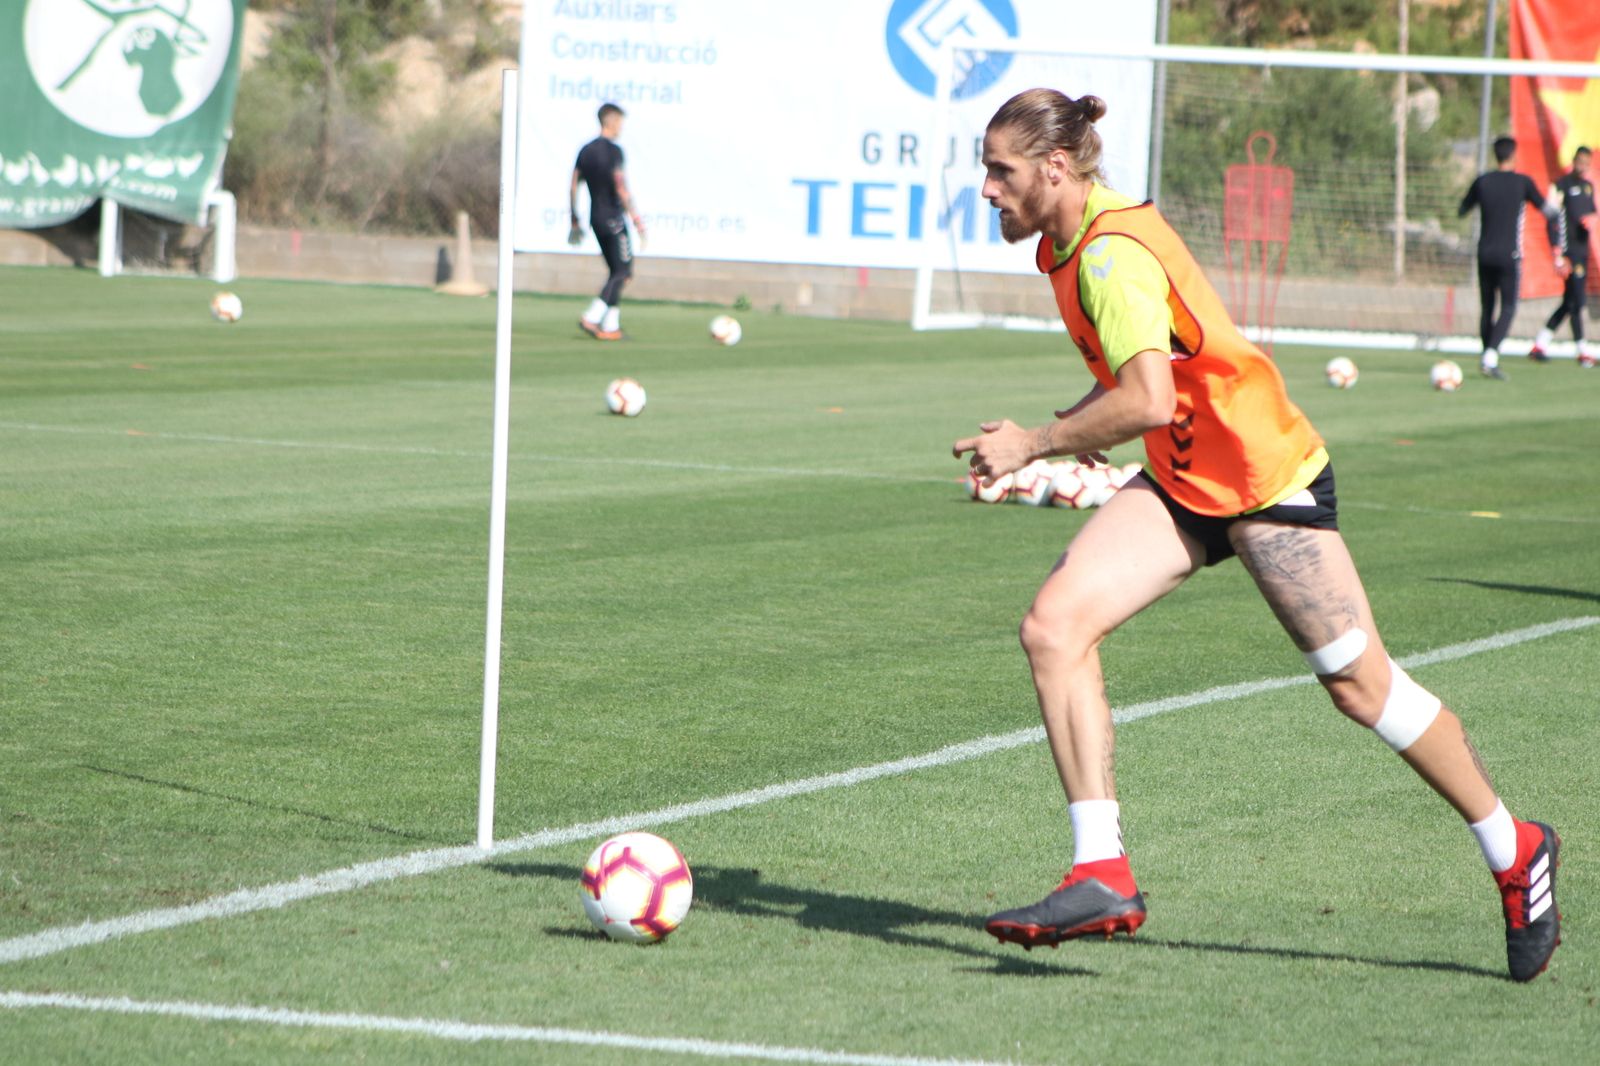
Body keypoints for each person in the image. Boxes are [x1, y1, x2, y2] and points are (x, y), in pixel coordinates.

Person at [953, 89, 1561, 982]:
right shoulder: (1068, 240)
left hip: (1264, 481)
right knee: (1054, 629)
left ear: (1053, 168)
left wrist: (1036, 443)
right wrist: (1072, 431)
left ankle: (1516, 848)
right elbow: (1150, 379)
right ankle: (1100, 870)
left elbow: (1148, 398)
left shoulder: (1108, 257)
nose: (986, 189)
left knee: (1362, 688)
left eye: (999, 171)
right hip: (1185, 479)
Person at [1457, 137, 1551, 380]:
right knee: (1508, 307)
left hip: (1485, 253)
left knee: (1487, 307)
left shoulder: (1483, 181)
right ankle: (1490, 357)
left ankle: (1486, 356)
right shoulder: (1522, 182)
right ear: (1513, 155)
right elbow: (1548, 211)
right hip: (1510, 254)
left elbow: (1462, 210)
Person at [570, 103, 646, 341]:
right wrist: (637, 220)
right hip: (614, 219)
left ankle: (611, 325)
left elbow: (573, 185)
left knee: (616, 271)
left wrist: (574, 218)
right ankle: (592, 316)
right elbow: (621, 188)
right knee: (623, 272)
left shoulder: (586, 150)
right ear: (612, 122)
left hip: (596, 219)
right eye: (620, 123)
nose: (621, 128)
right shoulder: (614, 151)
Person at [1530, 146, 1597, 367]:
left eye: (1587, 163)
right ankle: (1581, 350)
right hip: (1569, 253)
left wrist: (1592, 219)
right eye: (1580, 161)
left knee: (1571, 301)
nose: (1583, 166)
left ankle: (1540, 344)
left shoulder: (1588, 187)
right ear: (1574, 161)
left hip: (1582, 251)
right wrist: (1557, 252)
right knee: (1576, 300)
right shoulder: (1562, 185)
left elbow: (1592, 213)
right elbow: (1552, 219)